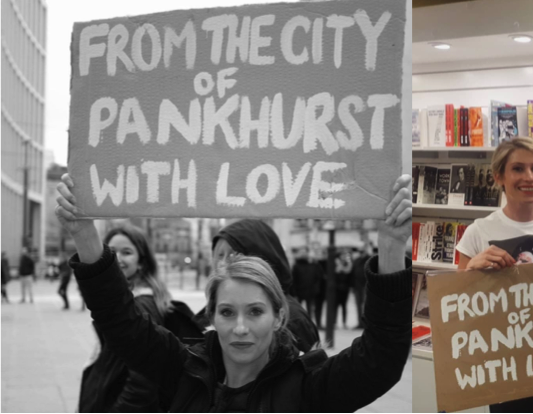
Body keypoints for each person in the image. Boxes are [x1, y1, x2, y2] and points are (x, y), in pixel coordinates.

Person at [56, 173, 412, 412]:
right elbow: (120, 320)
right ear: (210, 316)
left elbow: (381, 356)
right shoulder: (182, 370)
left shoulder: (309, 388)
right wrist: (85, 236)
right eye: (227, 312)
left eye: (255, 312)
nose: (240, 328)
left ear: (279, 317)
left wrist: (392, 247)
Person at [455, 138, 533, 413]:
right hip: (504, 363)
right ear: (499, 176)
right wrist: (471, 270)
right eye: (518, 169)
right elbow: (457, 309)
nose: (529, 177)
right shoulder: (478, 231)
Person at [78, 225, 202, 413]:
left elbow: (143, 381)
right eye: (111, 252)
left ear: (142, 262)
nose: (118, 258)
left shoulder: (141, 306)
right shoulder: (132, 299)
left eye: (126, 252)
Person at [204, 219, 321, 353]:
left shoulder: (293, 320)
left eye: (233, 255)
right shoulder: (211, 309)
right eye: (219, 255)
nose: (222, 263)